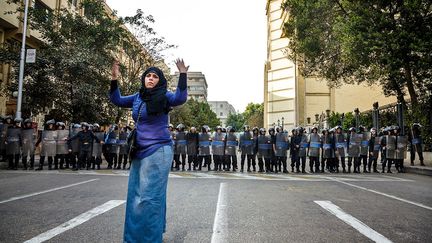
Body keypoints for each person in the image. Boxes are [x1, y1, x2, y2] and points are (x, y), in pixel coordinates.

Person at [110, 59, 188, 242]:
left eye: (154, 77)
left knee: (149, 198)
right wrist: (114, 78)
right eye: (148, 76)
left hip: (158, 150)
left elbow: (180, 98)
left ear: (159, 81)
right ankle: (135, 237)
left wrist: (183, 75)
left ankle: (150, 239)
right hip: (138, 150)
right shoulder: (138, 96)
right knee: (136, 196)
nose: (151, 79)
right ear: (144, 79)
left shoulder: (165, 96)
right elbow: (117, 100)